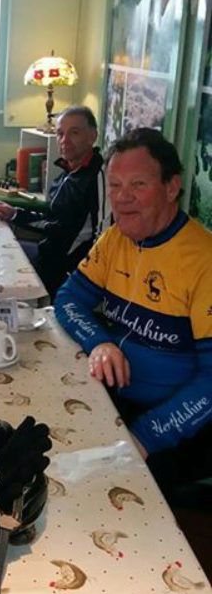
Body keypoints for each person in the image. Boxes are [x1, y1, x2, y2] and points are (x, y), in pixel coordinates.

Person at [55, 128, 212, 501]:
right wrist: (100, 343)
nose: (122, 198)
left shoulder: (204, 260)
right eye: (115, 185)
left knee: (87, 494)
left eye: (138, 184)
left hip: (177, 423)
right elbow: (68, 298)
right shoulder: (115, 238)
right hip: (113, 398)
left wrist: (145, 436)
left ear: (171, 188)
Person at [0, 105, 106, 297]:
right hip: (47, 256)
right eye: (60, 134)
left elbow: (101, 236)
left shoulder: (97, 177)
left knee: (1, 277)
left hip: (67, 272)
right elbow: (51, 218)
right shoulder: (68, 173)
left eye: (74, 133)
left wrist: (78, 281)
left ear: (92, 136)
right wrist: (14, 213)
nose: (64, 140)